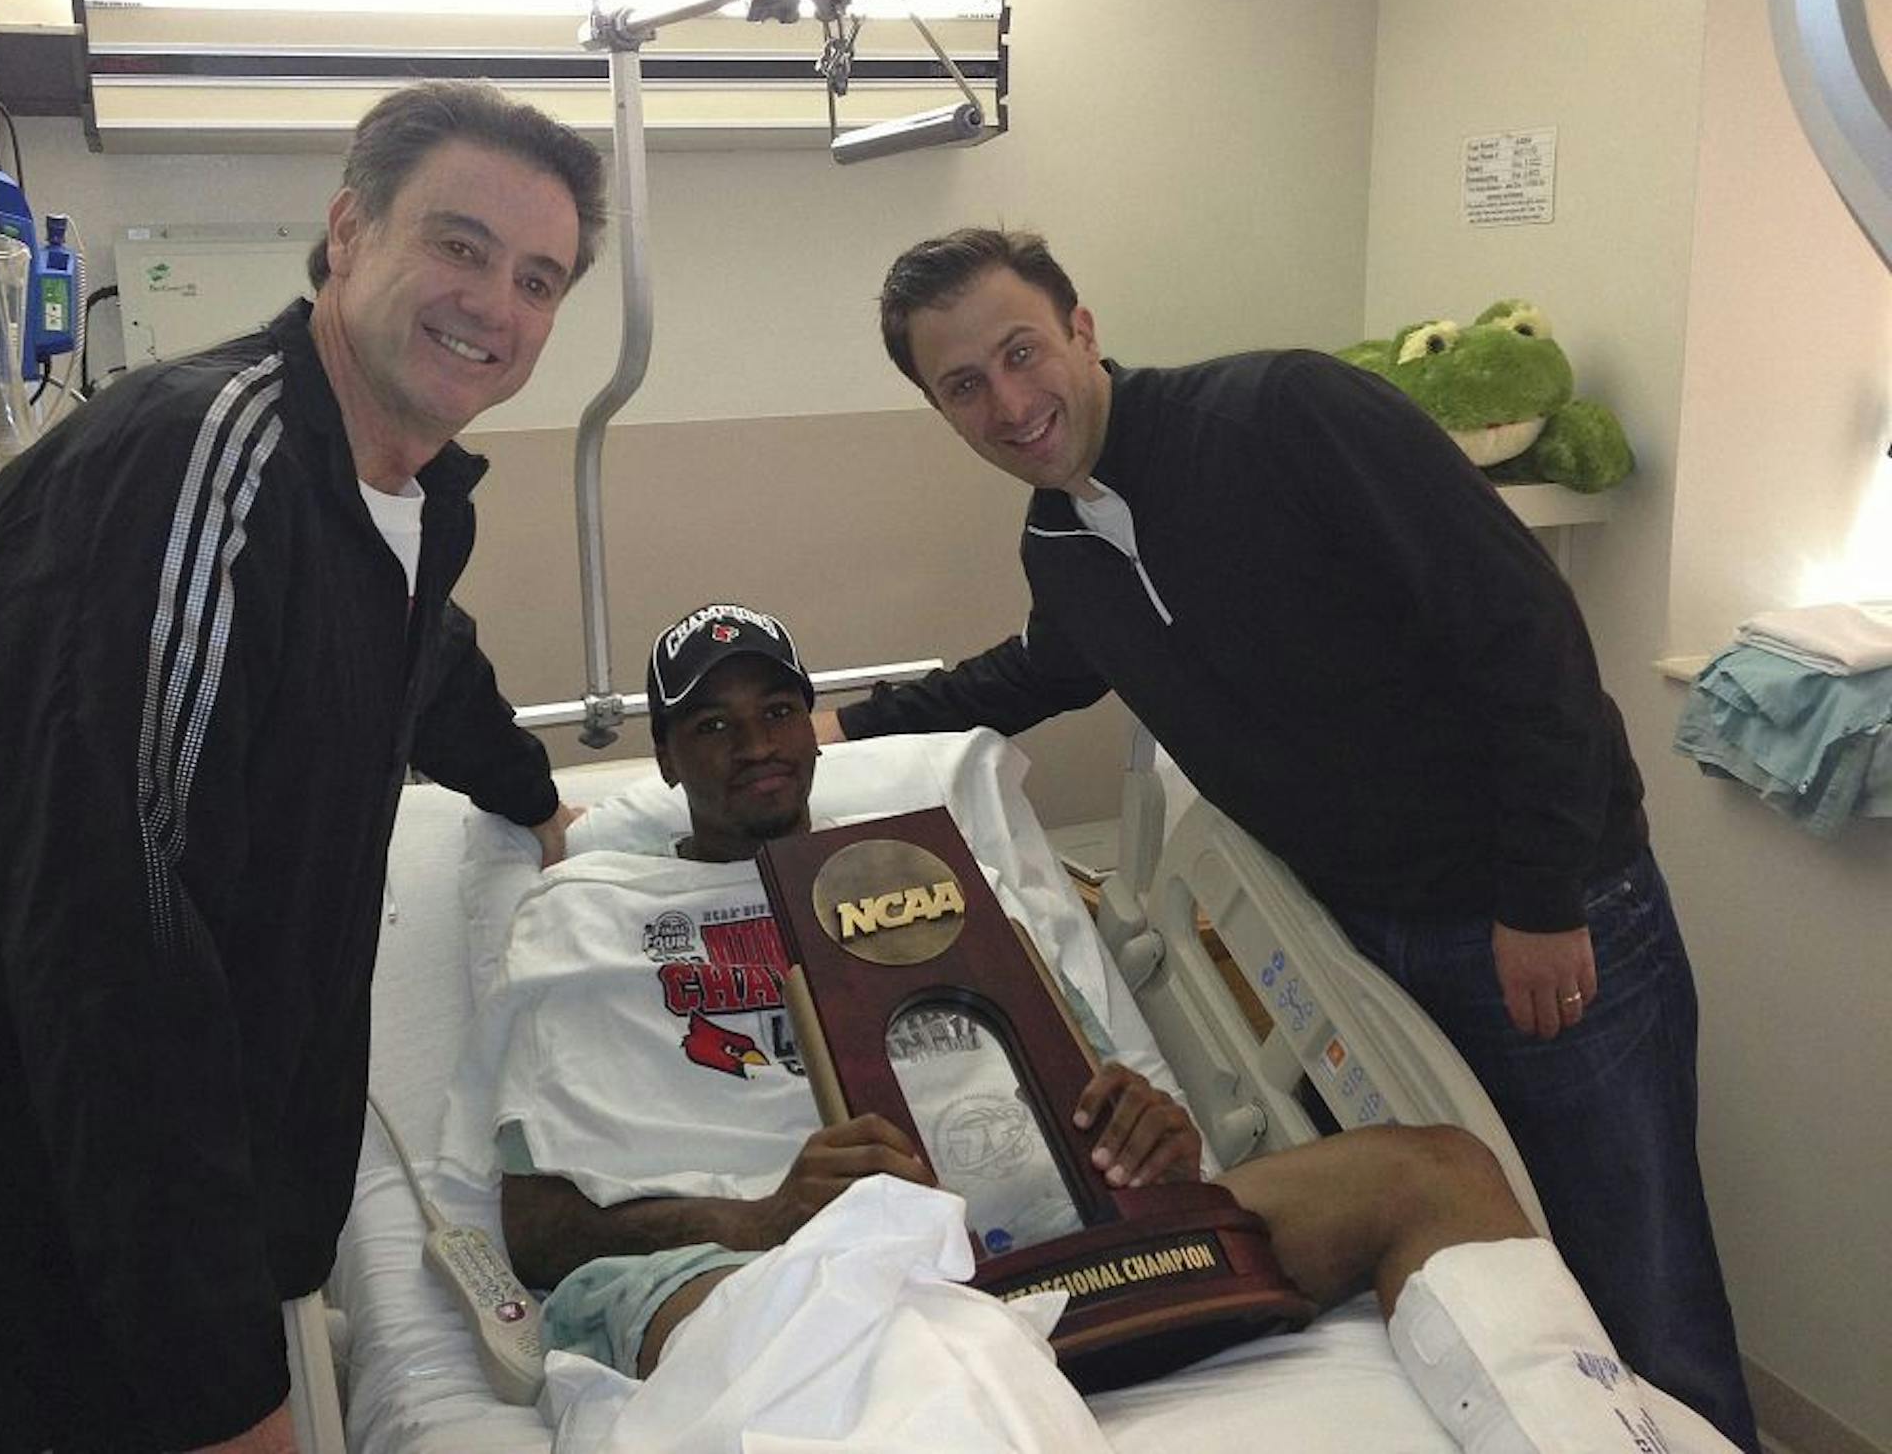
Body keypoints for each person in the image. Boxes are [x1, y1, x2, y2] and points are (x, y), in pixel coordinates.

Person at [814, 227, 1756, 1450]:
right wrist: (836, 726)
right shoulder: (1061, 540)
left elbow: (1526, 635)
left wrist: (1540, 899)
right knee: (1515, 1287)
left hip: (1539, 915)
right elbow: (1045, 666)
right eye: (964, 386)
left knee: (1641, 1280)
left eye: (1021, 352)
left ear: (1082, 330)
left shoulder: (1284, 417)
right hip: (1364, 933)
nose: (1009, 401)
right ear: (938, 409)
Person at [0, 81, 603, 1454]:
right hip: (44, 1222)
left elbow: (424, 667)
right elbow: (121, 934)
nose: (497, 304)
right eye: (461, 246)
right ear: (350, 232)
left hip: (158, 1220)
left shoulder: (395, 491)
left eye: (539, 279)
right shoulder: (199, 463)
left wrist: (533, 799)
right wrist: (222, 1385)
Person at [487, 604, 1692, 1452]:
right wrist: (763, 1218)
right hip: (757, 1268)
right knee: (908, 1342)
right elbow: (538, 1232)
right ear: (662, 755)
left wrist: (1139, 1124)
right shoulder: (592, 916)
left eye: (778, 709)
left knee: (1434, 1169)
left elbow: (1060, 1067)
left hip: (1031, 1241)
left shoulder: (920, 875)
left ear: (815, 726)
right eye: (711, 724)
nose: (754, 743)